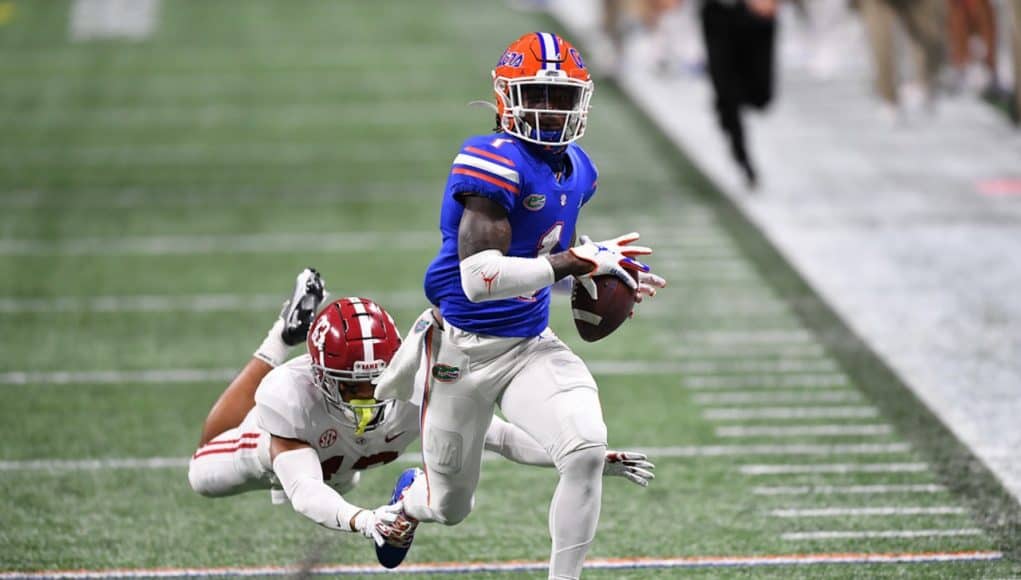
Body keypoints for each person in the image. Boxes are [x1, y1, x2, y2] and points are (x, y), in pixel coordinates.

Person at [371, 33, 667, 579]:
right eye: (538, 94)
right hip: (458, 353)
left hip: (528, 346)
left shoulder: (579, 169)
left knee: (583, 450)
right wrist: (579, 262)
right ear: (506, 95)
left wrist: (608, 270)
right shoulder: (490, 160)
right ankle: (411, 498)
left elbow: (542, 256)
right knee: (448, 507)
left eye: (562, 98)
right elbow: (482, 278)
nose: (551, 110)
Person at [188, 269, 657, 554]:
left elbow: (499, 435)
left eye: (375, 378)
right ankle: (282, 334)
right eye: (352, 385)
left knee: (347, 479)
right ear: (320, 375)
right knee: (203, 469)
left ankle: (407, 495)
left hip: (345, 464)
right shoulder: (291, 396)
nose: (368, 394)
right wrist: (365, 520)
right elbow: (305, 489)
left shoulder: (418, 377)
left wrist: (575, 456)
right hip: (296, 458)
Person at [699, 0, 779, 188]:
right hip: (717, 12)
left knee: (761, 95)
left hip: (753, 12)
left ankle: (726, 109)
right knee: (726, 90)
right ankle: (742, 157)